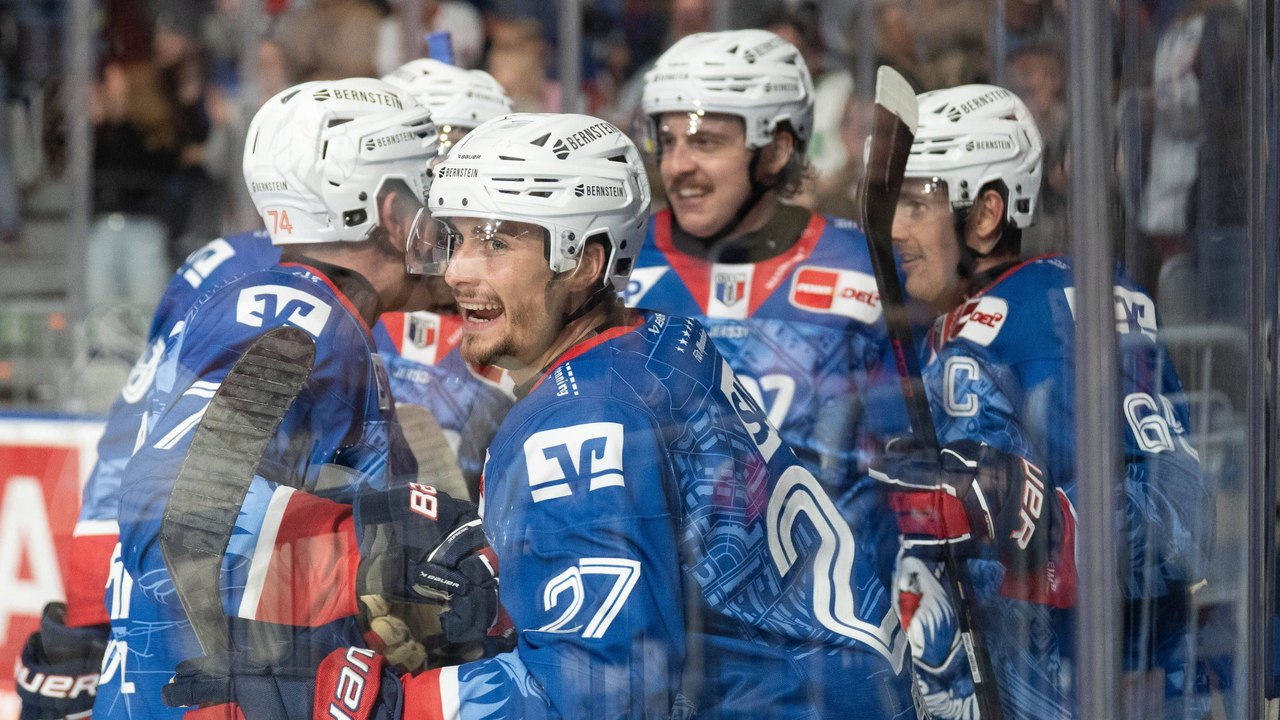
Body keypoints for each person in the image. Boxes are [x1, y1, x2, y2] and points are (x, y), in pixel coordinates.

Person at [160, 112, 920, 720]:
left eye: (497, 241)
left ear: (584, 261)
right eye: (456, 237)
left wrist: (378, 704)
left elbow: (601, 696)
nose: (458, 269)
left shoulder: (580, 423)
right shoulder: (662, 341)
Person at [94, 77, 449, 720]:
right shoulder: (302, 317)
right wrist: (376, 550)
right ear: (391, 210)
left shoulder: (313, 313)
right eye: (428, 186)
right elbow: (171, 509)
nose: (442, 214)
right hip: (205, 697)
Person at [875, 83, 1212, 719]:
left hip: (1093, 689)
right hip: (986, 684)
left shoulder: (1060, 313)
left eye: (918, 204)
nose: (895, 229)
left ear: (986, 214)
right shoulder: (937, 327)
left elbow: (1181, 519)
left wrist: (1038, 520)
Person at [626, 27, 913, 707]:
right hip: (660, 651)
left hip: (827, 659)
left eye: (706, 141)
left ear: (778, 148)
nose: (678, 166)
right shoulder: (617, 263)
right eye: (667, 140)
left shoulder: (864, 267)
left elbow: (912, 458)